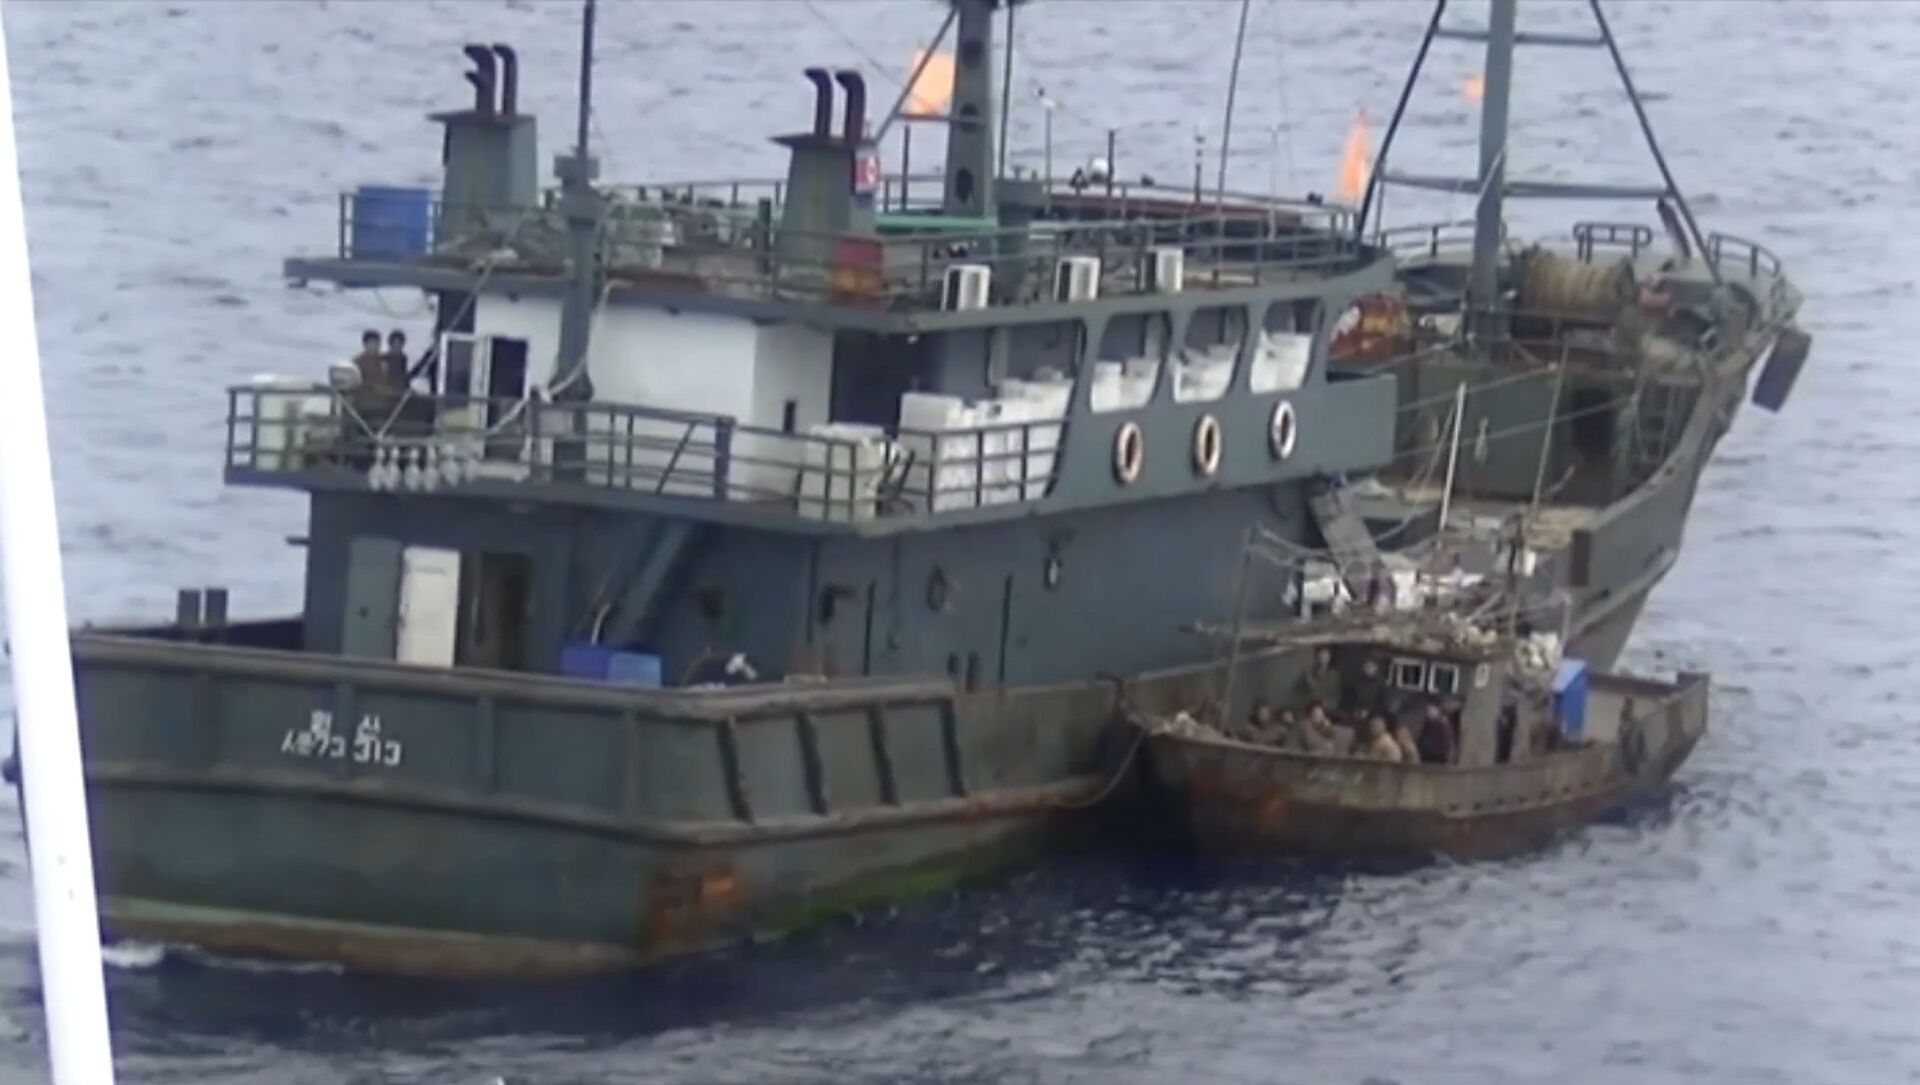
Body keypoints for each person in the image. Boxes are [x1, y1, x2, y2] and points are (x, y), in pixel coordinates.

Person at [1417, 700, 1456, 765]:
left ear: (1438, 710)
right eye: (1428, 710)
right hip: (1426, 759)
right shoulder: (1426, 725)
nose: (1430, 712)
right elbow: (1422, 739)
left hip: (1439, 760)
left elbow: (1447, 744)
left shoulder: (1443, 726)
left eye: (1432, 710)